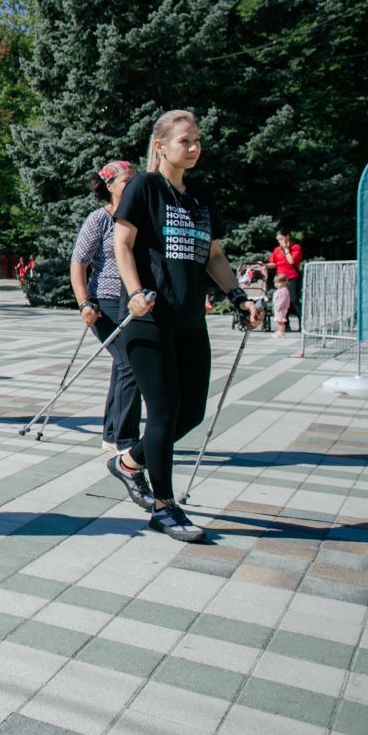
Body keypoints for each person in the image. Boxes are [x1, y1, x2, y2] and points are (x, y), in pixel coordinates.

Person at [110, 110, 263, 542]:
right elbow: (122, 243)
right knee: (163, 412)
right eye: (185, 141)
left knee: (191, 412)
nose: (194, 148)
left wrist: (238, 296)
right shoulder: (144, 187)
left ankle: (128, 463)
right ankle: (163, 508)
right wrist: (136, 291)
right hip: (148, 317)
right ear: (160, 145)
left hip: (191, 318)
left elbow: (213, 255)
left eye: (197, 141)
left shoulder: (199, 194)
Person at [71, 161, 141, 454]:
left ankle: (112, 433)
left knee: (124, 365)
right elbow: (79, 263)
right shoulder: (100, 219)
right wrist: (84, 301)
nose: (133, 185)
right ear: (109, 186)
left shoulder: (142, 217)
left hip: (135, 301)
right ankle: (125, 439)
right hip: (106, 301)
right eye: (126, 181)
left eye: (135, 180)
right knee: (130, 364)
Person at [271, 230, 304, 330]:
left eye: (281, 238)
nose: (279, 241)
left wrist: (286, 249)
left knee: (294, 300)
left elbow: (291, 261)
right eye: (278, 240)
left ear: (287, 236)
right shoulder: (277, 250)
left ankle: (302, 325)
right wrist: (263, 265)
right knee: (283, 301)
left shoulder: (296, 248)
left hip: (292, 276)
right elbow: (273, 263)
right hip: (281, 278)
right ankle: (286, 325)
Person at [272, 274, 292, 339]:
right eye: (276, 283)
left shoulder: (283, 290)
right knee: (279, 320)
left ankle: (281, 332)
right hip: (278, 307)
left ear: (284, 282)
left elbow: (283, 299)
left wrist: (280, 306)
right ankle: (279, 331)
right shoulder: (279, 290)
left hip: (281, 308)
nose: (277, 284)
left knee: (281, 320)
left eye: (279, 282)